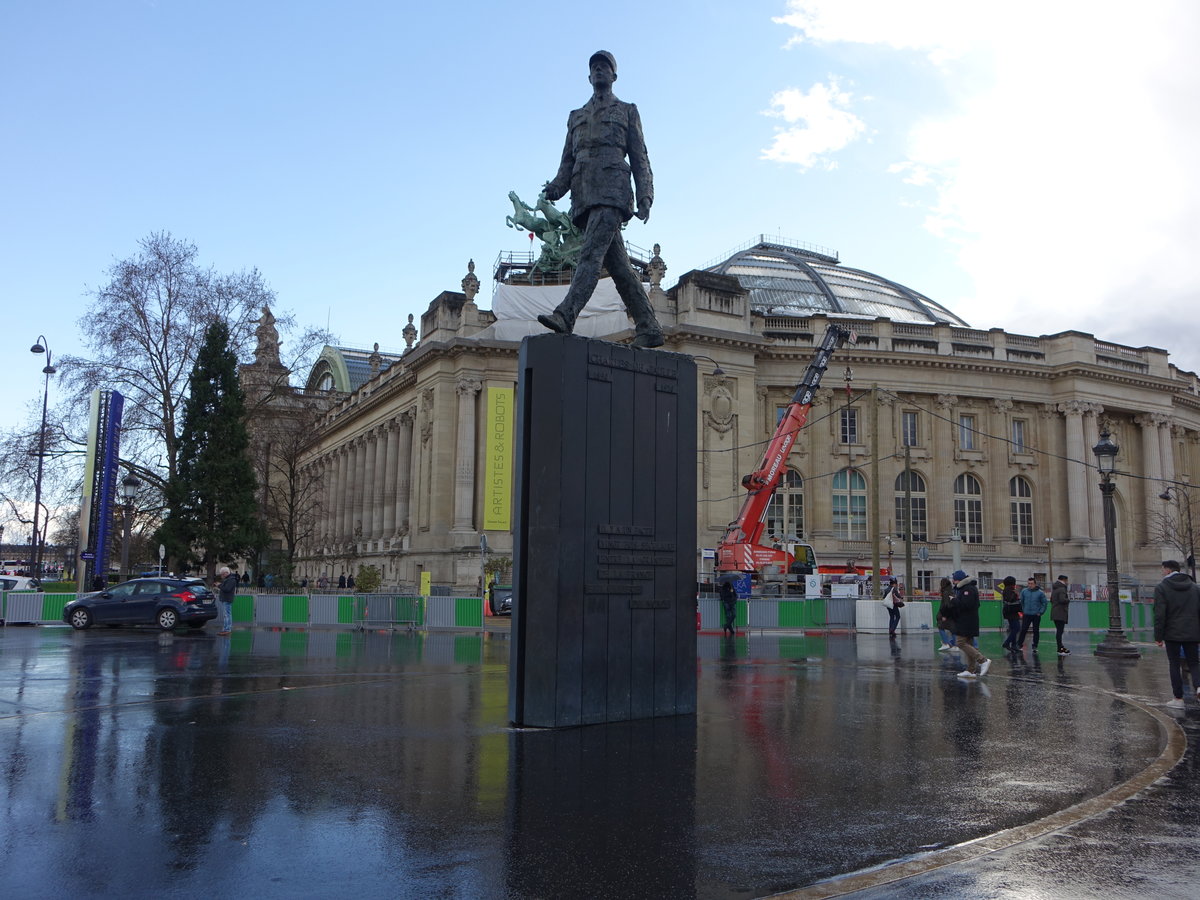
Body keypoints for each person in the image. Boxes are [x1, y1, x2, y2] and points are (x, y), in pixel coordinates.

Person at [536, 51, 664, 349]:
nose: (599, 72)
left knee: (590, 256)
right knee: (619, 267)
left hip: (613, 191)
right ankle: (648, 326)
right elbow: (567, 161)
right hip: (583, 196)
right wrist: (555, 188)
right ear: (589, 76)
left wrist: (645, 194)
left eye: (604, 67)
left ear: (613, 76)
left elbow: (639, 155)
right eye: (594, 68)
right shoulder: (576, 117)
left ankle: (566, 314)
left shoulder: (627, 111)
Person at [1153, 559, 1200, 709]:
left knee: (1174, 664)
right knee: (1194, 662)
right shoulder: (1194, 587)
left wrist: (1158, 637)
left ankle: (1178, 699)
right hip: (1193, 631)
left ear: (1167, 570)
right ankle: (1199, 687)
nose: (1161, 572)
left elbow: (1160, 615)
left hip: (1172, 632)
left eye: (1162, 569)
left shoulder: (1162, 588)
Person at [948, 569, 991, 680]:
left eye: (954, 580)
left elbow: (966, 605)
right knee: (969, 643)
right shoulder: (966, 588)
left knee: (960, 642)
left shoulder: (968, 589)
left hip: (966, 621)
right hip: (967, 620)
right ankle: (971, 670)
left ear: (958, 580)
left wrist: (954, 600)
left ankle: (982, 660)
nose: (953, 582)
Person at [1017, 576, 1048, 650]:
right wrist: (1022, 611)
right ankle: (1019, 644)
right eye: (1028, 583)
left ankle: (1035, 645)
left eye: (1031, 583)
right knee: (1023, 629)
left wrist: (1040, 612)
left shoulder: (1040, 593)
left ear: (1035, 584)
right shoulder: (1024, 591)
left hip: (1036, 615)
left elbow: (1044, 603)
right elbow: (1021, 602)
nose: (1030, 585)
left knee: (1036, 630)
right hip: (1026, 614)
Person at [1050, 574, 1071, 655]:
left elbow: (1052, 600)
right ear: (1064, 580)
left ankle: (1061, 647)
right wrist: (1068, 600)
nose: (1067, 582)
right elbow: (1062, 600)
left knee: (1059, 630)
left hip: (1055, 612)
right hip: (1060, 612)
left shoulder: (1055, 589)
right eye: (1067, 581)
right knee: (1060, 631)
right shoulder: (1062, 589)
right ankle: (1060, 649)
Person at [1000, 575, 1022, 651]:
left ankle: (1013, 645)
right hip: (1012, 611)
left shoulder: (1006, 589)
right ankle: (1007, 643)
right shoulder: (1010, 590)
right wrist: (1016, 594)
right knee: (1016, 628)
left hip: (1009, 611)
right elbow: (1011, 599)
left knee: (1013, 628)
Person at [216, 565, 238, 636]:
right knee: (227, 615)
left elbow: (227, 589)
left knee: (227, 615)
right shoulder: (229, 579)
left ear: (226, 573)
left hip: (227, 599)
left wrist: (219, 585)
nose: (221, 576)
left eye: (222, 574)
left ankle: (227, 629)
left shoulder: (231, 580)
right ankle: (226, 629)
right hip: (226, 599)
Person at [936, 577, 957, 651]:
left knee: (940, 626)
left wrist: (944, 615)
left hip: (945, 613)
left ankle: (946, 643)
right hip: (952, 613)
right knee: (952, 629)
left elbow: (946, 605)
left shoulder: (945, 593)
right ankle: (955, 645)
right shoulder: (951, 591)